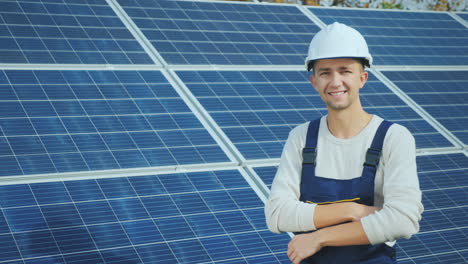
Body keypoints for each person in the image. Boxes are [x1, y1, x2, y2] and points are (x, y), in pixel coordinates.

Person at [264, 22, 423, 264]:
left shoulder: (394, 137)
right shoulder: (301, 137)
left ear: (362, 77)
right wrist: (352, 211)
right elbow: (277, 215)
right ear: (314, 81)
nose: (335, 81)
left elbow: (403, 220)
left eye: (345, 71)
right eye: (325, 72)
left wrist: (319, 238)